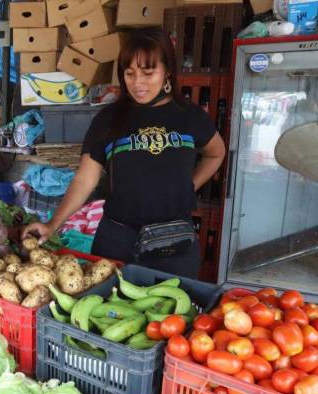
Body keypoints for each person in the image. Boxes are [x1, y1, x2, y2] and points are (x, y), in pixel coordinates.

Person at [23, 28, 226, 278]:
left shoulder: (190, 117)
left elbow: (216, 153)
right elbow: (85, 179)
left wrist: (189, 185)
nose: (137, 83)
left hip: (174, 245)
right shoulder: (109, 120)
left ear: (168, 72)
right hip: (118, 240)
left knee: (173, 315)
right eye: (129, 73)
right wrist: (52, 224)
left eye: (148, 72)